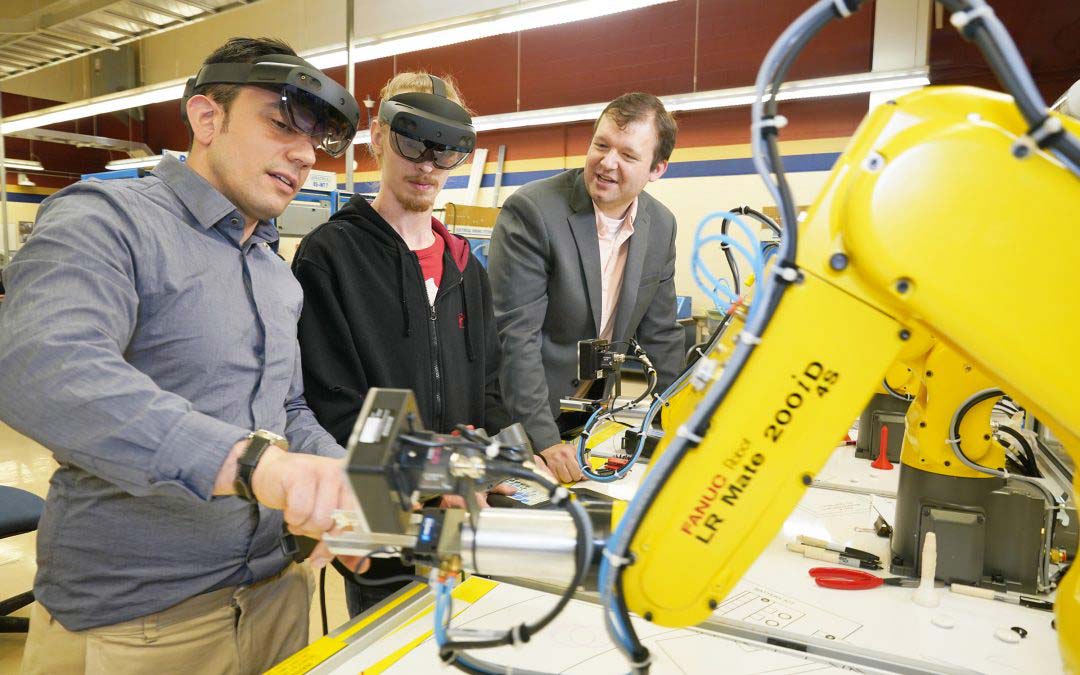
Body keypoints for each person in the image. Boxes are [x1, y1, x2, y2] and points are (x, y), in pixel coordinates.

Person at [0, 37, 364, 674]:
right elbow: (43, 365)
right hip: (139, 623)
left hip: (278, 597)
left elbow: (288, 411)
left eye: (316, 143)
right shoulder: (107, 221)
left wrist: (351, 487)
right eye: (282, 124)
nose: (305, 154)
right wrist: (255, 466)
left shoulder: (277, 276)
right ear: (207, 117)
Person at [292, 71, 512, 617]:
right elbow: (334, 404)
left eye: (447, 154)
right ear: (377, 139)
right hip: (379, 523)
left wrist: (498, 462)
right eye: (413, 144)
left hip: (464, 517)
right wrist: (434, 480)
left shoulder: (466, 268)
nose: (428, 167)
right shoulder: (331, 256)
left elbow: (487, 386)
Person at [487, 92, 685, 484]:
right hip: (517, 420)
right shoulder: (533, 212)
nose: (607, 163)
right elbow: (516, 337)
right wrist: (542, 439)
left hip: (589, 416)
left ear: (657, 169)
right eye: (601, 144)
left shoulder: (660, 226)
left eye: (628, 156)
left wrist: (685, 427)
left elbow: (661, 335)